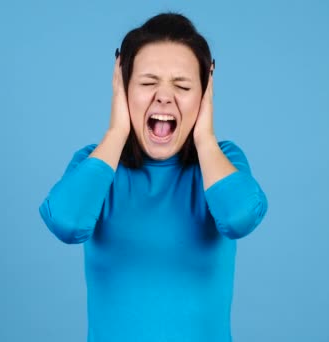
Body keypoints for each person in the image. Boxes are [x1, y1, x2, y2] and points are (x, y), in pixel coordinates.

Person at [39, 12, 268, 342]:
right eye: (147, 83)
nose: (163, 96)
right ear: (123, 87)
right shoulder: (96, 165)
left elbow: (240, 218)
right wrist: (117, 129)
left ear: (204, 92)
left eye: (183, 85)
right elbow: (66, 222)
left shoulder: (222, 161)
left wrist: (204, 136)